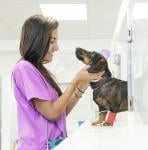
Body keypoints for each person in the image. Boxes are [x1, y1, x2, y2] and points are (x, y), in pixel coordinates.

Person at [12, 14, 104, 150]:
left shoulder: (39, 71)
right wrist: (76, 79)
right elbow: (52, 113)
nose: (57, 47)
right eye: (52, 41)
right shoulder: (24, 68)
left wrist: (82, 85)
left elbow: (60, 112)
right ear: (37, 41)